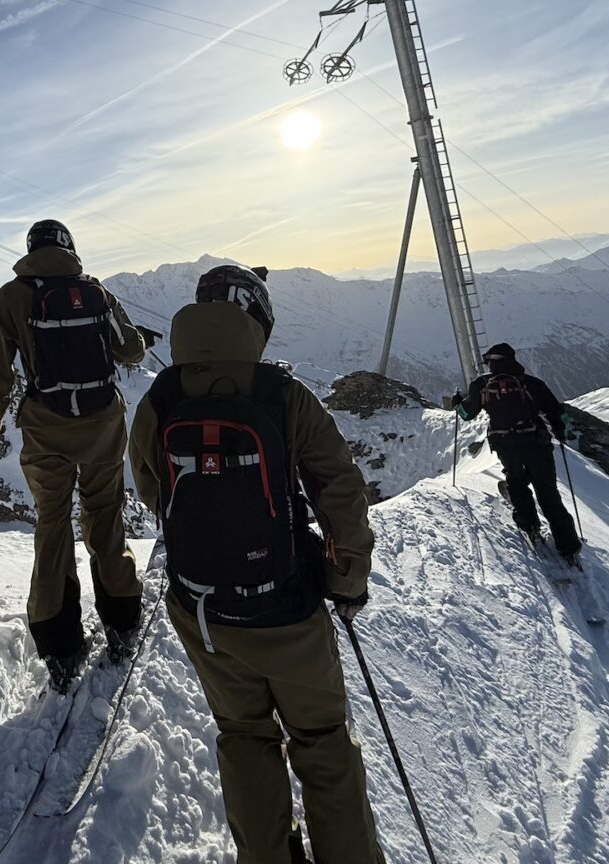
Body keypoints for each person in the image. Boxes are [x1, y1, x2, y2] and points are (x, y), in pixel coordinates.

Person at [129, 264, 385, 864]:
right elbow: (340, 490)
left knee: (243, 736)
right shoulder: (284, 394)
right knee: (322, 741)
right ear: (255, 320)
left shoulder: (160, 398)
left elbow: (151, 489)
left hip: (203, 609)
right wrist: (346, 582)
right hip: (287, 609)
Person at [0, 219, 146, 691]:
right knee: (104, 511)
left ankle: (59, 641)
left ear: (31, 250)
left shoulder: (11, 297)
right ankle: (122, 618)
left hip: (45, 425)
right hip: (102, 422)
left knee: (52, 522)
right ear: (69, 248)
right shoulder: (95, 290)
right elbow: (131, 351)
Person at [454, 341, 581, 560]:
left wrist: (458, 403)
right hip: (537, 443)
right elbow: (556, 412)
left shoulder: (482, 384)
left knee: (517, 483)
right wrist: (561, 432)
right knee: (547, 491)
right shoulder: (533, 383)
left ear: (491, 362)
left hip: (506, 445)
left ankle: (528, 524)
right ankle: (568, 543)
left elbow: (467, 414)